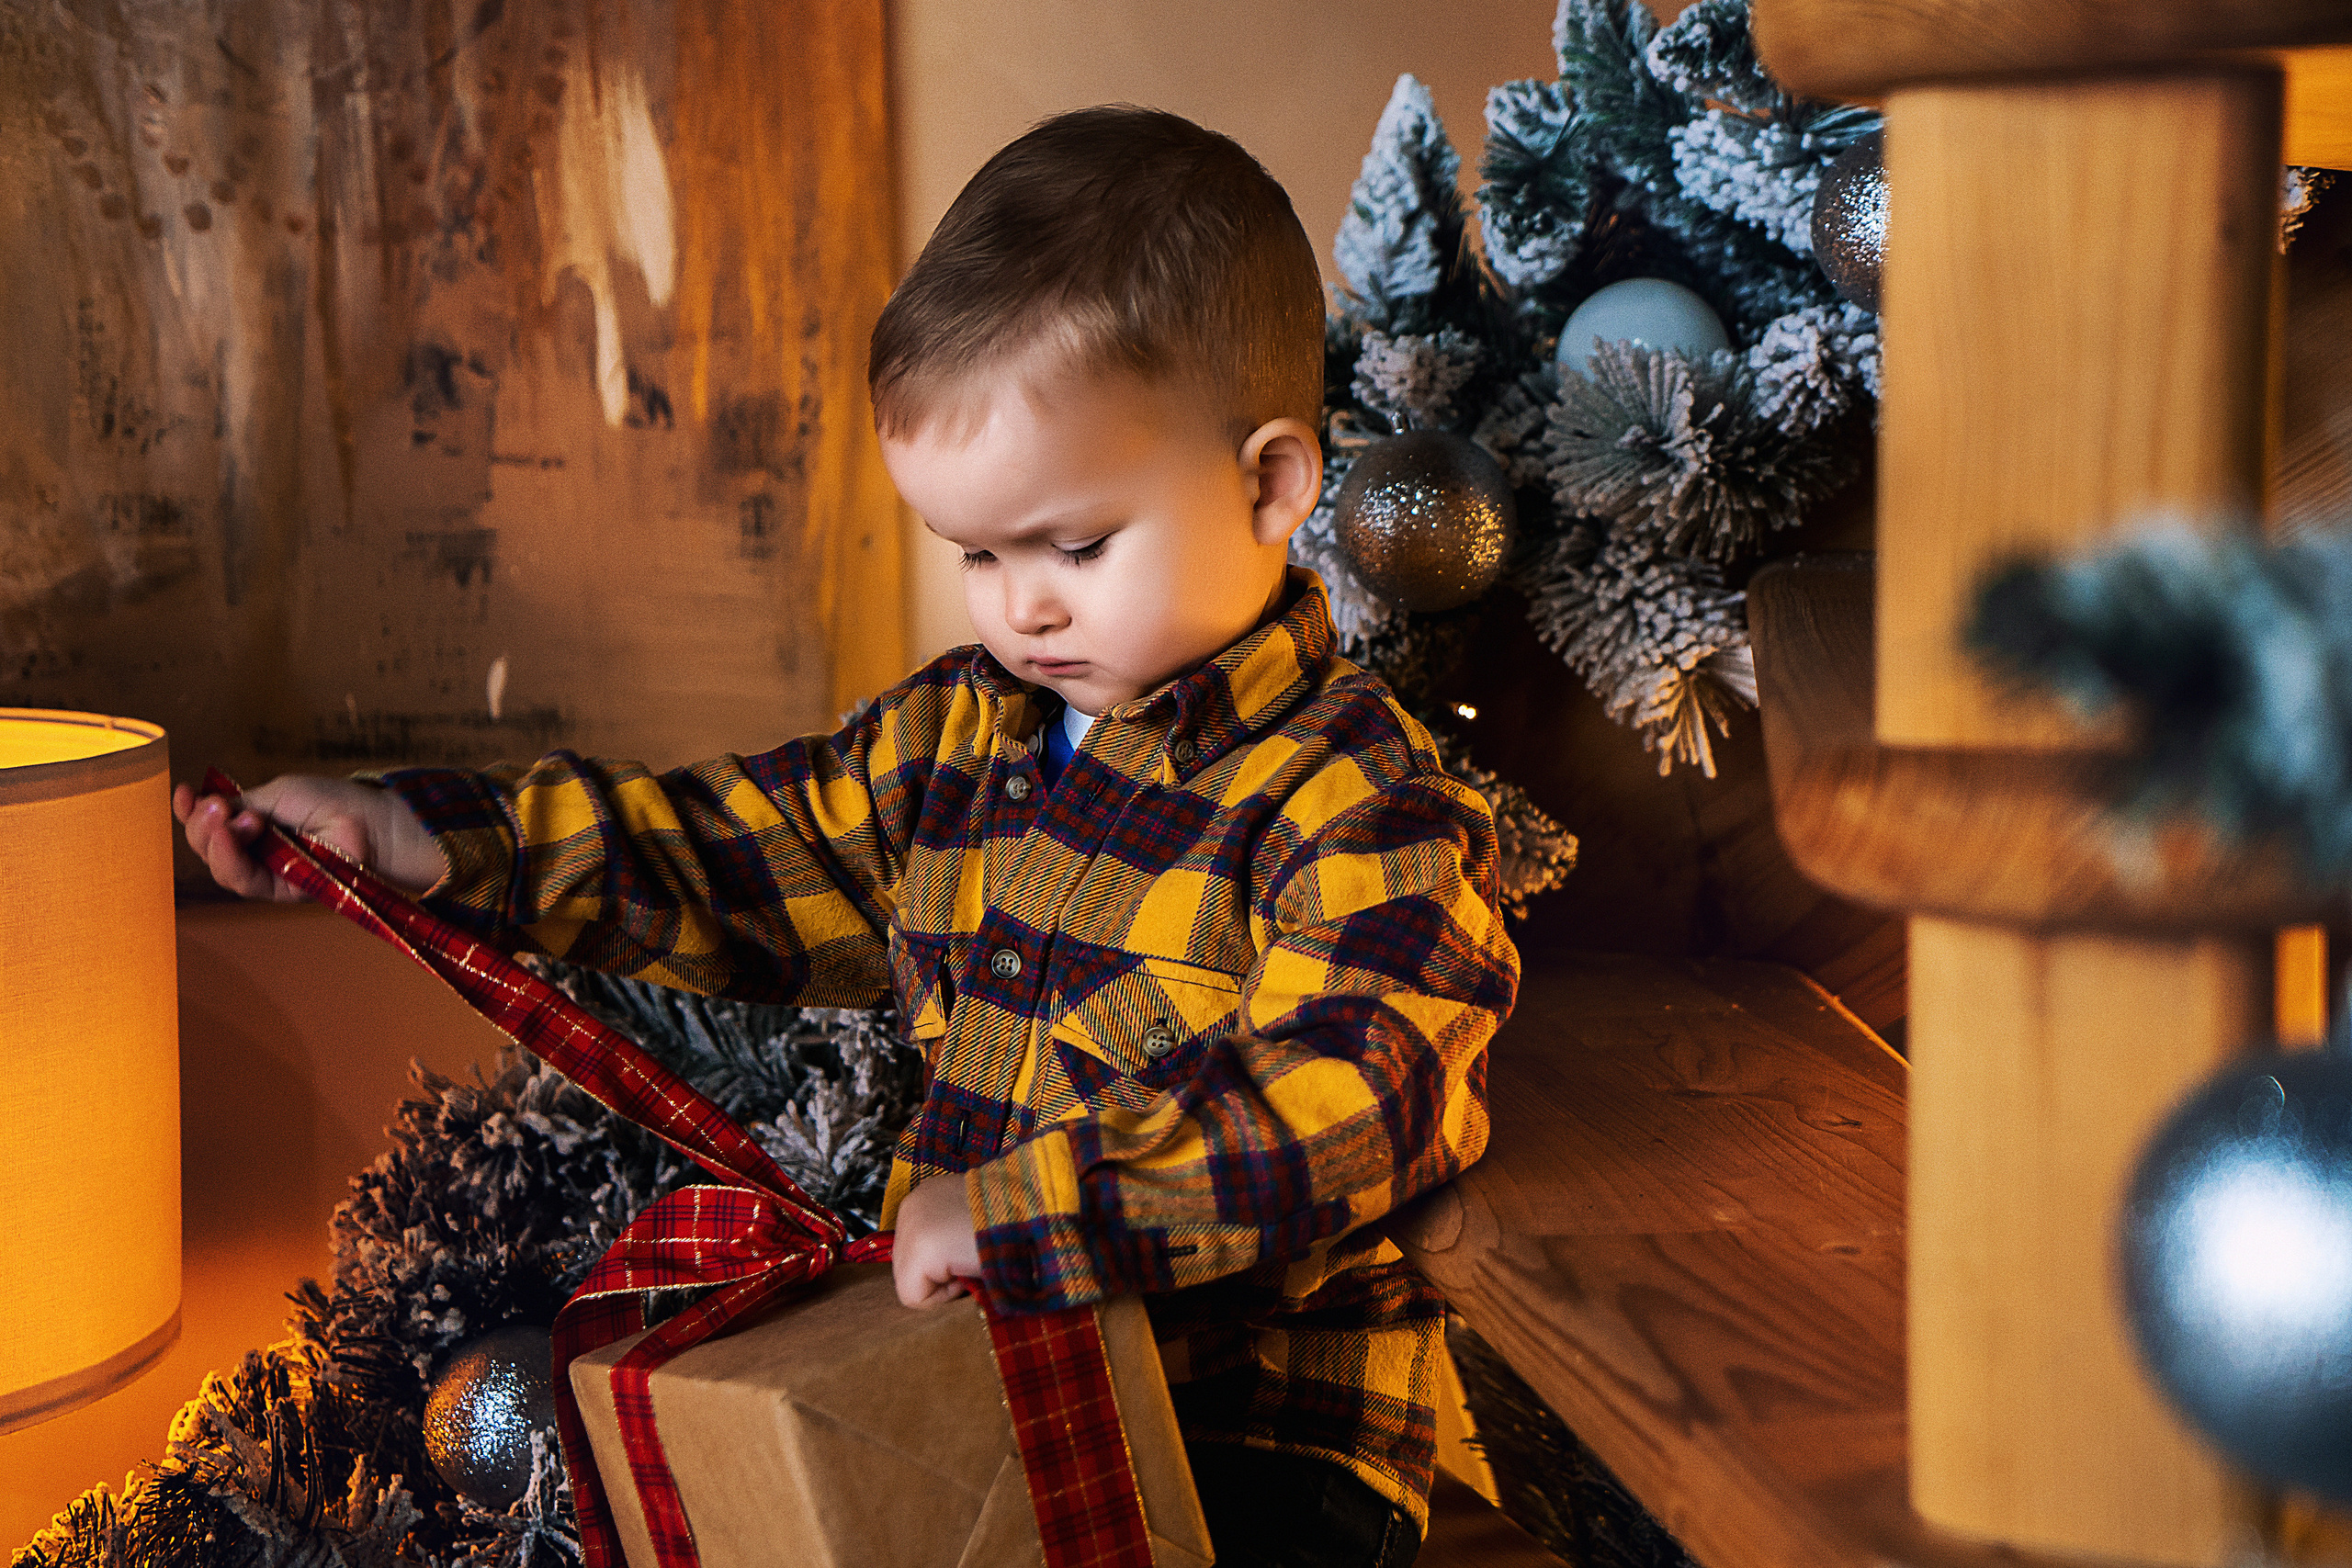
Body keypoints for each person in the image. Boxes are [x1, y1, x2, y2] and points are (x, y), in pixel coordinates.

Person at [176, 106, 1518, 1568]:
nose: (1024, 607)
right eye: (979, 556)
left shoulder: (1358, 797)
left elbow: (1361, 1084)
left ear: (1270, 485)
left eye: (1075, 545)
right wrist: (426, 838)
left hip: (1252, 1440)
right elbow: (727, 850)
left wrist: (1037, 1213)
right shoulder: (955, 737)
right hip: (985, 1387)